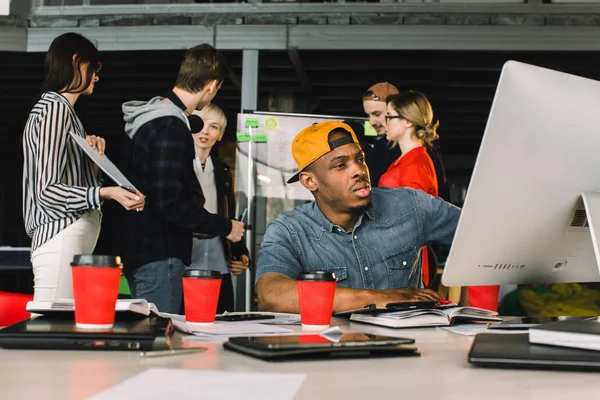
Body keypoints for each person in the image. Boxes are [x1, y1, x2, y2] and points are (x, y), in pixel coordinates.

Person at [256, 121, 461, 313]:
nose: (359, 171)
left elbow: (482, 234)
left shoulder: (410, 205)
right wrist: (381, 298)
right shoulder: (290, 230)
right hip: (331, 348)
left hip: (406, 346)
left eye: (360, 159)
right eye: (340, 165)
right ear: (310, 181)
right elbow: (271, 295)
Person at [120, 44, 245, 314]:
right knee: (161, 347)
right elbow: (171, 204)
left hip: (141, 252)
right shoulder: (172, 127)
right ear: (211, 86)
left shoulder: (150, 119)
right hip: (159, 257)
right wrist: (224, 227)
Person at [22, 32, 145, 302]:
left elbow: (62, 181)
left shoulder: (65, 113)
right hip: (60, 233)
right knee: (52, 330)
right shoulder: (55, 109)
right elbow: (46, 192)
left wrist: (92, 163)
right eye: (96, 67)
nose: (97, 76)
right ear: (77, 61)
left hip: (69, 235)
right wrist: (106, 193)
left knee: (61, 329)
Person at [188, 103, 250, 313]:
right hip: (185, 254)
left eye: (213, 127)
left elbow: (229, 215)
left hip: (217, 254)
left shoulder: (223, 170)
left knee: (220, 317)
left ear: (220, 135)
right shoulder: (179, 165)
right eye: (201, 123)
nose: (205, 131)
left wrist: (241, 254)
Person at [380, 91, 439, 286]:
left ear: (407, 122)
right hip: (397, 259)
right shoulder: (407, 161)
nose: (385, 122)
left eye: (389, 117)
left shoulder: (415, 164)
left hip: (404, 265)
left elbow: (414, 222)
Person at [362, 82, 450, 200]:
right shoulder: (405, 157)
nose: (372, 121)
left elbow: (414, 213)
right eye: (368, 115)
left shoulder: (416, 161)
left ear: (408, 119)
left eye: (387, 115)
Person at [362, 82, 402, 188]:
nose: (371, 122)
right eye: (368, 115)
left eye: (377, 114)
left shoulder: (422, 148)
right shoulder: (380, 147)